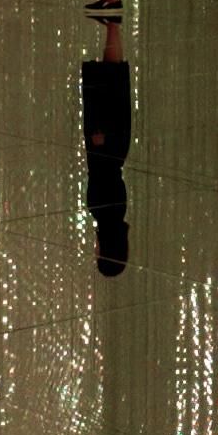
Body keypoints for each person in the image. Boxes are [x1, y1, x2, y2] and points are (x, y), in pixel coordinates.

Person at [84, 18, 132, 275]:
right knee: (109, 77)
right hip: (105, 143)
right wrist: (101, 146)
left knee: (112, 75)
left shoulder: (113, 214)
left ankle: (113, 21)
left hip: (111, 145)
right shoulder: (105, 212)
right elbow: (107, 176)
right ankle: (113, 17)